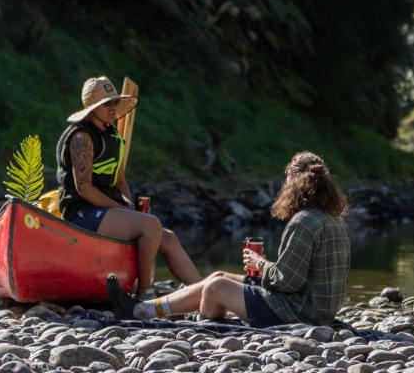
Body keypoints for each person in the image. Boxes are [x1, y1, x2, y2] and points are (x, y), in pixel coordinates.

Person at [107, 151, 350, 326]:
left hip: (298, 312)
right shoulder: (333, 219)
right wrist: (265, 267)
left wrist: (260, 264)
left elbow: (287, 282)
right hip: (319, 310)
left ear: (294, 184)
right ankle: (144, 309)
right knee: (219, 276)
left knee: (215, 288)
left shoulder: (303, 221)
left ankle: (207, 322)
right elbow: (298, 278)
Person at [56, 76, 202, 298]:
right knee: (151, 224)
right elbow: (84, 188)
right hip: (81, 212)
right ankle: (145, 295)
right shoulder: (81, 137)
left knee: (168, 237)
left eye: (114, 102)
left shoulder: (113, 135)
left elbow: (120, 179)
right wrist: (123, 210)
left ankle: (202, 294)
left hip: (108, 210)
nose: (113, 108)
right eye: (106, 104)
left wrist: (129, 207)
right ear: (92, 108)